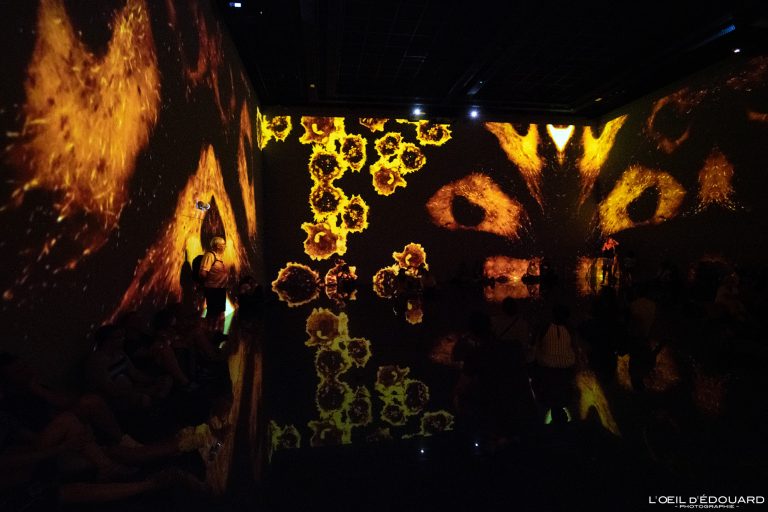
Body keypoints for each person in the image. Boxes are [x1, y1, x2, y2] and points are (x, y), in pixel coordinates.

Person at [533, 304, 578, 425]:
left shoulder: (545, 327)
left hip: (549, 369)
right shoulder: (570, 329)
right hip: (564, 369)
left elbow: (536, 346)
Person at [199, 237, 229, 334]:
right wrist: (211, 282)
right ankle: (209, 332)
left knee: (219, 312)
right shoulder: (210, 255)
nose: (224, 246)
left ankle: (217, 333)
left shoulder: (218, 257)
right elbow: (203, 273)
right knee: (213, 313)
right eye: (223, 244)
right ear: (217, 246)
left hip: (220, 289)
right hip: (213, 289)